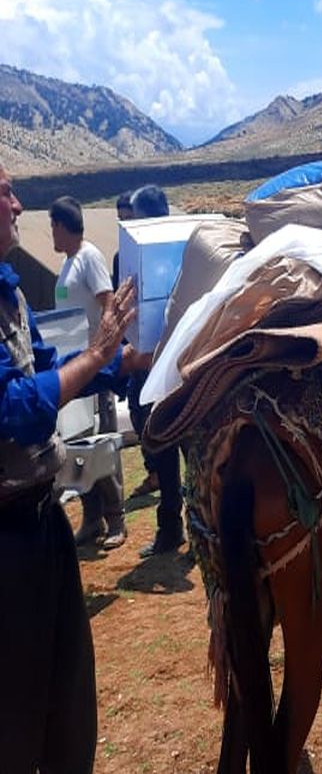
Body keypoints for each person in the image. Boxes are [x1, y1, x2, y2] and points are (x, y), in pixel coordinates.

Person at [1, 160, 136, 770]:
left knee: (69, 702)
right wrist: (99, 355)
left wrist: (122, 362)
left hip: (42, 520)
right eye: (3, 192)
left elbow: (49, 364)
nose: (16, 206)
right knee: (17, 717)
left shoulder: (7, 292)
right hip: (7, 544)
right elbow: (14, 408)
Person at [50, 195, 127, 549]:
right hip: (73, 370)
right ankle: (92, 517)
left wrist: (103, 349)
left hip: (95, 368)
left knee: (100, 443)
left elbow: (107, 302)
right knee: (77, 443)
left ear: (64, 226)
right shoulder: (67, 264)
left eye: (53, 225)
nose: (51, 232)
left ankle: (116, 519)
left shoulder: (89, 257)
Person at [124, 185, 186, 557]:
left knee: (178, 453)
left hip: (169, 367)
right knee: (173, 454)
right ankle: (176, 528)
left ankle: (177, 529)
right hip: (162, 367)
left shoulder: (166, 257)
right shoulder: (180, 254)